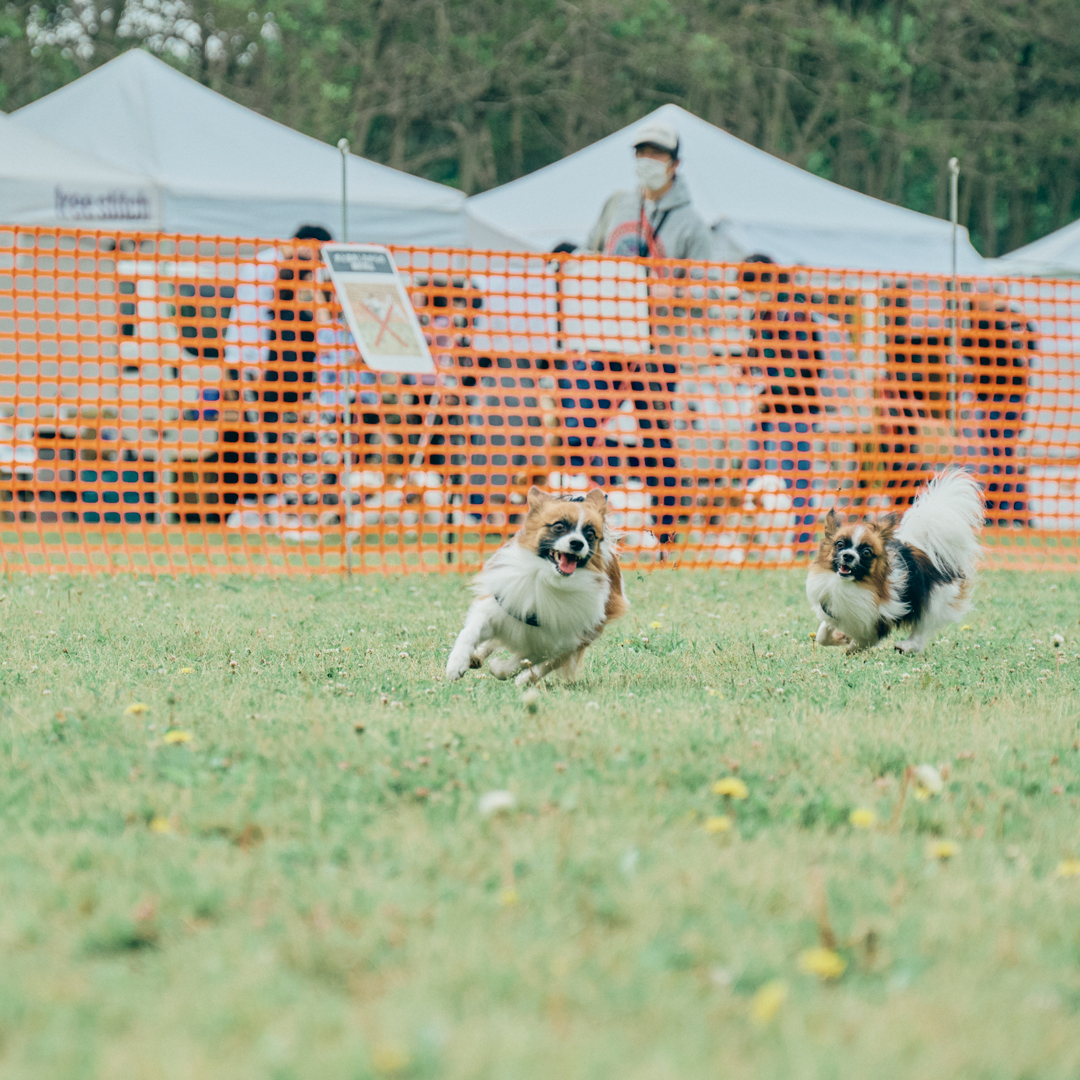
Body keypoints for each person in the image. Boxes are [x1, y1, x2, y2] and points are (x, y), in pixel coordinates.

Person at [584, 120, 712, 261]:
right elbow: (588, 252)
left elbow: (705, 279)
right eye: (642, 152)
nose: (647, 160)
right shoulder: (616, 203)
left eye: (656, 153)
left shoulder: (692, 226)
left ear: (675, 164)